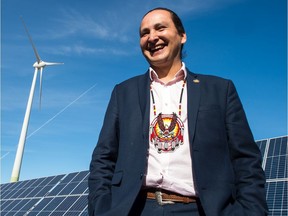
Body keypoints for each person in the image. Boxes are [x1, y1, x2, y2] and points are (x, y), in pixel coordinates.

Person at [88, 7, 268, 216]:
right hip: (135, 208)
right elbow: (103, 158)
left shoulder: (220, 90)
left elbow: (245, 159)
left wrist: (252, 211)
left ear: (182, 36)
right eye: (144, 33)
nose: (152, 37)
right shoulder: (123, 92)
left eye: (160, 28)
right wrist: (101, 207)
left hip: (203, 209)